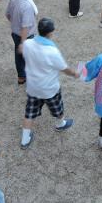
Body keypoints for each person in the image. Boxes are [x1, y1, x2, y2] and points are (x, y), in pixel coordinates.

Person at [20, 18, 78, 149]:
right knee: (57, 108)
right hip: (49, 88)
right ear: (50, 33)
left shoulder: (28, 43)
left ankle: (24, 139)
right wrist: (74, 73)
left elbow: (22, 50)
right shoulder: (52, 51)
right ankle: (60, 124)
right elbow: (64, 69)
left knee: (29, 113)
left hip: (33, 87)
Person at [6, 0, 38, 84]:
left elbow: (7, 14)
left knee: (18, 56)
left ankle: (21, 76)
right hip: (26, 37)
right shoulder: (27, 6)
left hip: (14, 33)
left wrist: (14, 23)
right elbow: (25, 27)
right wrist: (23, 43)